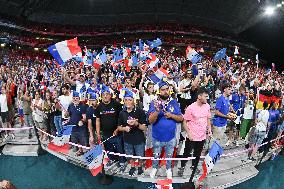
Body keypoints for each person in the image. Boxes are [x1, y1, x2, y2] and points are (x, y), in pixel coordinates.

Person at [148, 80, 183, 179]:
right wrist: (157, 111)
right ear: (159, 91)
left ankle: (168, 169)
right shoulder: (154, 103)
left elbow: (181, 118)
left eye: (167, 89)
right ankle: (155, 167)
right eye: (163, 90)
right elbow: (150, 121)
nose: (165, 91)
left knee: (169, 156)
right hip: (157, 137)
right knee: (156, 155)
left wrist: (171, 115)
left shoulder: (174, 102)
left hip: (171, 137)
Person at [179, 88, 212, 177]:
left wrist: (209, 128)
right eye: (205, 96)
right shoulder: (191, 108)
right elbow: (184, 122)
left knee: (197, 153)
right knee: (187, 152)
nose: (207, 98)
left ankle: (194, 166)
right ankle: (182, 167)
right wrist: (189, 133)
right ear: (199, 96)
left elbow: (208, 118)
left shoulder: (207, 106)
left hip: (202, 136)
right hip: (192, 136)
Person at [95, 85, 126, 171]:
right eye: (103, 94)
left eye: (107, 94)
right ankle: (112, 159)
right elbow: (97, 120)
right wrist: (98, 133)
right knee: (109, 149)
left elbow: (122, 117)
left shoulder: (116, 104)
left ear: (110, 95)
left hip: (117, 133)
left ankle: (122, 162)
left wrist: (118, 129)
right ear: (101, 96)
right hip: (105, 134)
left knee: (120, 148)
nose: (105, 96)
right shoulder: (99, 106)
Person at [117, 89, 147, 176]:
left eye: (130, 100)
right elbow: (119, 127)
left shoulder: (140, 112)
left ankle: (140, 167)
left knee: (140, 155)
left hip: (139, 139)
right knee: (129, 155)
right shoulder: (122, 113)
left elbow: (144, 128)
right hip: (127, 140)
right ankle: (133, 167)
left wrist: (136, 124)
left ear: (134, 100)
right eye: (126, 100)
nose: (127, 102)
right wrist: (124, 128)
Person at [65, 91, 87, 156]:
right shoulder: (71, 105)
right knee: (76, 140)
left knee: (82, 140)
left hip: (80, 128)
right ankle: (80, 150)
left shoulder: (82, 106)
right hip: (73, 127)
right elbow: (68, 115)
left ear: (79, 98)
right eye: (74, 98)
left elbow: (85, 117)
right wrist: (66, 114)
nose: (75, 99)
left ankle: (85, 151)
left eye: (76, 98)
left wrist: (82, 121)